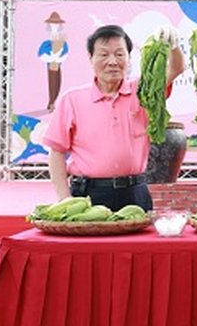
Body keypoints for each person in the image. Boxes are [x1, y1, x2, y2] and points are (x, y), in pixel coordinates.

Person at [42, 24, 185, 211]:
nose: (112, 61)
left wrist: (173, 46)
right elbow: (56, 152)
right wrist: (64, 198)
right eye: (103, 54)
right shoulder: (72, 99)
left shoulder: (143, 91)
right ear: (91, 58)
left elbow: (176, 69)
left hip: (135, 192)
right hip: (88, 194)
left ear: (128, 58)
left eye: (119, 54)